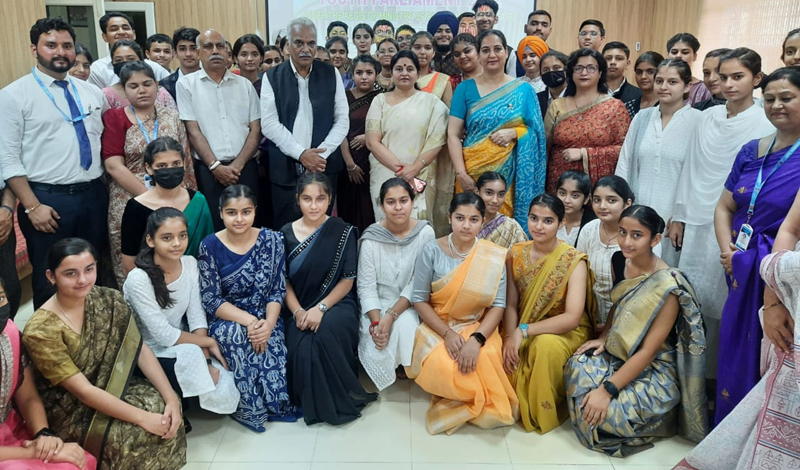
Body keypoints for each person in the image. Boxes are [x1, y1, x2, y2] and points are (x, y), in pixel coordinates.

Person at [22, 238, 186, 469]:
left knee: (161, 406)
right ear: (51, 276)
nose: (82, 280)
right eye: (70, 273)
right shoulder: (41, 330)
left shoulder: (108, 299)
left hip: (113, 387)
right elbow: (84, 391)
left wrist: (171, 398)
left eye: (89, 269)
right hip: (72, 409)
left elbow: (139, 350)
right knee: (127, 435)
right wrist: (142, 418)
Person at [565, 206, 708, 456]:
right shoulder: (620, 259)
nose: (626, 242)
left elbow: (648, 351)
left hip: (654, 367)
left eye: (636, 235)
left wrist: (607, 390)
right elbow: (618, 305)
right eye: (622, 233)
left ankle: (656, 420)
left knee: (608, 413)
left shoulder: (667, 285)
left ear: (655, 239)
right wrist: (603, 336)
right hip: (620, 352)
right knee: (577, 365)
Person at [670, 48, 775, 386]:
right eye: (722, 76)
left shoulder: (764, 122)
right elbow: (688, 168)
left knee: (724, 304)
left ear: (756, 79)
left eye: (737, 77)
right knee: (689, 298)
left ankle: (715, 381)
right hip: (695, 217)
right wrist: (678, 214)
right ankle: (683, 379)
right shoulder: (705, 117)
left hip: (735, 224)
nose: (727, 83)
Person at [711, 66, 800, 425]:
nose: (777, 105)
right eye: (771, 98)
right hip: (740, 266)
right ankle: (728, 436)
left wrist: (774, 282)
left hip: (783, 273)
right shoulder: (752, 150)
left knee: (772, 349)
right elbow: (724, 205)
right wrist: (727, 251)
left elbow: (791, 229)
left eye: (787, 98)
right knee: (735, 348)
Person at [0, 18, 109, 309]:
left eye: (67, 45)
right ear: (35, 49)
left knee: (91, 272)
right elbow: (8, 159)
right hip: (46, 201)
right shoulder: (13, 95)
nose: (60, 51)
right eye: (51, 45)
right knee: (50, 277)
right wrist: (32, 206)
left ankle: (92, 340)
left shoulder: (92, 93)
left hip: (93, 195)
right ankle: (50, 346)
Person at [407, 192, 519, 435]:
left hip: (476, 324)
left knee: (486, 356)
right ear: (450, 218)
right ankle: (461, 393)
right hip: (438, 324)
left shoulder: (493, 255)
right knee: (444, 364)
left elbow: (498, 305)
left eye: (474, 219)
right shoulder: (432, 250)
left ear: (482, 221)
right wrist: (447, 334)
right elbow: (419, 300)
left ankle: (470, 397)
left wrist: (477, 340)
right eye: (460, 218)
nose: (466, 226)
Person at [197, 185, 300, 431]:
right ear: (220, 213)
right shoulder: (209, 246)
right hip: (227, 318)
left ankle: (275, 404)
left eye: (246, 212)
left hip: (266, 316)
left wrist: (268, 324)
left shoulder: (272, 240)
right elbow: (211, 299)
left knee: (270, 341)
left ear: (255, 211)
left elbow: (277, 289)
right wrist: (250, 322)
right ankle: (248, 407)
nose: (239, 219)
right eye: (232, 213)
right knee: (236, 336)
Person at [281, 173, 378, 425]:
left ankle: (333, 400)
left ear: (329, 200)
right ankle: (309, 400)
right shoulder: (284, 233)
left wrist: (321, 308)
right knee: (301, 345)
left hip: (336, 303)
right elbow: (285, 282)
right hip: (297, 304)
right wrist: (299, 312)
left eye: (320, 198)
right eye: (307, 199)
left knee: (324, 335)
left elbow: (347, 279)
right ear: (298, 200)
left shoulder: (343, 231)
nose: (314, 205)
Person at [124, 208, 240, 418]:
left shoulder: (189, 264)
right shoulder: (138, 279)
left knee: (223, 373)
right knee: (193, 354)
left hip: (184, 341)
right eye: (167, 238)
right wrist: (206, 344)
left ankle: (192, 394)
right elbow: (162, 335)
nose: (177, 243)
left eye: (182, 236)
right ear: (151, 240)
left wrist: (205, 357)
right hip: (147, 352)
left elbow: (196, 315)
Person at [503, 194, 595, 434]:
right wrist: (508, 337)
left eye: (548, 220)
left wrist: (524, 331)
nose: (538, 226)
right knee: (499, 352)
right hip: (523, 324)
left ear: (561, 223)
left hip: (565, 330)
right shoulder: (515, 253)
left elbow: (572, 317)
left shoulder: (574, 261)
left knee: (543, 347)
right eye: (533, 218)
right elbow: (511, 304)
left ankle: (543, 413)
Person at [102, 63, 195, 286]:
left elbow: (186, 161)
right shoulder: (115, 118)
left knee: (174, 251)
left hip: (174, 198)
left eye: (147, 84)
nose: (141, 90)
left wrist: (189, 200)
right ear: (124, 90)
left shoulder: (171, 116)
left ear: (157, 86)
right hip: (129, 200)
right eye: (133, 86)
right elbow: (114, 165)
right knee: (132, 259)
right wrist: (150, 199)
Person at [449, 30, 547, 231]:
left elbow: (537, 133)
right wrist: (461, 174)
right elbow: (452, 134)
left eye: (497, 49)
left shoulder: (524, 90)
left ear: (506, 53)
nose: (492, 55)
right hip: (471, 172)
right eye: (486, 50)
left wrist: (515, 133)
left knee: (503, 231)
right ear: (478, 55)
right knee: (469, 226)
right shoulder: (464, 89)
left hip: (509, 178)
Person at [0, 277, 97, 469]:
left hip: (10, 430)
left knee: (75, 460)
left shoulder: (9, 333)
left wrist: (44, 435)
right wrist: (34, 451)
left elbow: (27, 397)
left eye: (0, 298)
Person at [261, 17, 348, 230]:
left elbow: (342, 119)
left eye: (311, 43)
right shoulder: (272, 77)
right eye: (299, 43)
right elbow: (270, 124)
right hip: (285, 169)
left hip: (324, 166)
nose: (306, 49)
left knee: (321, 228)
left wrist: (318, 157)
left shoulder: (330, 73)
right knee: (286, 229)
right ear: (287, 45)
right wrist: (301, 154)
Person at [615, 59, 701, 267]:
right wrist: (622, 207)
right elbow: (624, 162)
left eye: (672, 82)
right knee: (634, 268)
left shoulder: (699, 121)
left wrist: (681, 216)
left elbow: (699, 175)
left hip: (674, 217)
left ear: (687, 86)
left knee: (666, 274)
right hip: (638, 209)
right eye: (659, 81)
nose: (664, 87)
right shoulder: (642, 118)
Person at [178, 29, 261, 231]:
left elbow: (255, 129)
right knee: (215, 225)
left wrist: (238, 164)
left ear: (227, 53)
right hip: (208, 170)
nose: (215, 51)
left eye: (220, 46)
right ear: (198, 53)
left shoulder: (245, 85)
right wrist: (215, 166)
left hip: (245, 168)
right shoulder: (186, 85)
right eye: (208, 46)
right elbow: (193, 131)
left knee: (248, 224)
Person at [358, 178, 436, 391]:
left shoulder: (425, 233)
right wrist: (376, 323)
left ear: (413, 201)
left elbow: (418, 282)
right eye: (390, 202)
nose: (398, 207)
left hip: (410, 302)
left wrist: (391, 316)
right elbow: (366, 286)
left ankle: (404, 365)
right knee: (375, 335)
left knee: (406, 326)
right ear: (381, 205)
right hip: (377, 303)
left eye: (403, 200)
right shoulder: (371, 238)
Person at [365, 50, 448, 225]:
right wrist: (404, 172)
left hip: (421, 174)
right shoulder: (379, 100)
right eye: (399, 69)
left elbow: (438, 138)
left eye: (410, 69)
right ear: (391, 73)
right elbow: (372, 142)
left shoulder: (432, 103)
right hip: (385, 172)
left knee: (418, 226)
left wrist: (416, 167)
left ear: (418, 74)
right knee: (387, 222)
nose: (404, 73)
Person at [119, 137, 212, 277]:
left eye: (176, 163)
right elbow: (129, 263)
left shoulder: (198, 201)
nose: (170, 170)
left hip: (196, 280)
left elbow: (209, 250)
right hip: (154, 285)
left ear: (184, 164)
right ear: (149, 168)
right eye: (162, 166)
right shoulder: (136, 208)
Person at [544, 48, 630, 193]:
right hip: (559, 185)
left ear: (600, 72)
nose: (584, 73)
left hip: (598, 190)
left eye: (591, 68)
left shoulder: (614, 107)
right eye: (578, 68)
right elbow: (545, 148)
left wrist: (584, 153)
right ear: (571, 72)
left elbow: (624, 150)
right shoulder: (557, 105)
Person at [576, 176, 639, 326]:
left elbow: (646, 289)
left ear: (627, 203)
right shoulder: (589, 230)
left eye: (611, 200)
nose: (602, 206)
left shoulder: (640, 233)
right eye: (597, 200)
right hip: (590, 318)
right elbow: (577, 275)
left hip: (630, 321)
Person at [337, 56, 381, 233]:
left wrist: (369, 137)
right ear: (352, 74)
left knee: (370, 209)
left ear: (377, 75)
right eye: (359, 72)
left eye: (369, 73)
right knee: (348, 209)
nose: (364, 77)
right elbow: (339, 131)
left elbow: (389, 127)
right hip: (347, 162)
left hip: (374, 161)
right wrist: (350, 165)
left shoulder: (383, 98)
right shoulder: (343, 98)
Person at [88, 12, 169, 88]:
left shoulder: (154, 67)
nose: (121, 32)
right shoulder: (97, 69)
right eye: (114, 29)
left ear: (134, 34)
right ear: (105, 37)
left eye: (125, 28)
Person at [101, 40, 176, 109]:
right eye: (118, 60)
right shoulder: (106, 95)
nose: (124, 63)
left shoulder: (161, 93)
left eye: (130, 59)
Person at [475, 172, 528, 248]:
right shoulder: (466, 221)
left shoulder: (511, 227)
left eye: (501, 195)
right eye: (489, 193)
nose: (495, 200)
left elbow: (521, 255)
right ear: (477, 192)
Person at [472, 0, 517, 76]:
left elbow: (512, 84)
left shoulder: (509, 52)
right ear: (474, 19)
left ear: (496, 19)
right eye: (480, 14)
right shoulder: (468, 49)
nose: (484, 19)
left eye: (488, 15)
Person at [666, 33, 712, 106]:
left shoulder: (704, 89)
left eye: (685, 52)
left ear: (695, 56)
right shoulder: (660, 85)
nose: (678, 56)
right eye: (674, 52)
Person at [159, 27, 201, 102]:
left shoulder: (210, 80)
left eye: (193, 48)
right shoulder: (164, 85)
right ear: (175, 53)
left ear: (200, 51)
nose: (188, 54)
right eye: (182, 49)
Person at [411, 32, 453, 106]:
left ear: (433, 53)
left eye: (427, 48)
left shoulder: (442, 80)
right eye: (417, 47)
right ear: (410, 50)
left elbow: (448, 113)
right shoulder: (401, 78)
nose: (422, 52)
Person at [603, 42, 643, 119]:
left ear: (627, 64)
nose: (613, 62)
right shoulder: (592, 93)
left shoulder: (638, 95)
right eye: (608, 58)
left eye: (619, 58)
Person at [555, 170, 594, 246]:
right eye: (562, 193)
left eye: (574, 196)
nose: (567, 200)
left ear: (586, 199)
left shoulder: (592, 224)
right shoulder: (549, 217)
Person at [537, 50, 568, 119]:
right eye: (546, 70)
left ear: (566, 70)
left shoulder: (576, 96)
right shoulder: (536, 99)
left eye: (556, 68)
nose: (551, 72)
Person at [427, 12, 460, 76]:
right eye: (439, 31)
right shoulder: (426, 59)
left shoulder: (460, 59)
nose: (444, 34)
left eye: (448, 31)